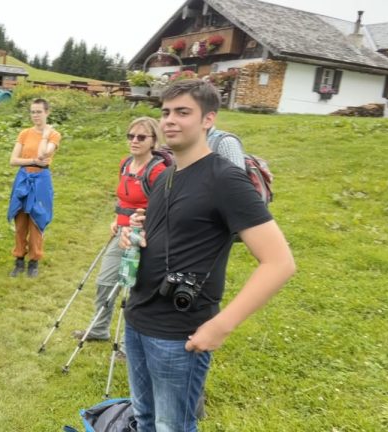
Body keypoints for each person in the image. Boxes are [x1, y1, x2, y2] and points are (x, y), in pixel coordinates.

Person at [119, 79, 295, 431]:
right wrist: (132, 236)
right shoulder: (166, 175)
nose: (170, 120)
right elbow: (165, 237)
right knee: (144, 419)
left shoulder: (225, 179)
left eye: (183, 112)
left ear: (208, 119)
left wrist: (221, 326)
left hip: (179, 334)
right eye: (166, 112)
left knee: (173, 426)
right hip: (137, 319)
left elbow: (280, 263)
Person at [71, 117, 167, 347]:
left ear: (153, 141)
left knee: (133, 288)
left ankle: (128, 342)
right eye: (131, 136)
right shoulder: (125, 164)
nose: (134, 140)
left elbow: (163, 209)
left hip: (142, 237)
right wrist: (117, 219)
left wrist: (140, 228)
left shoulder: (158, 171)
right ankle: (100, 328)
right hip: (120, 232)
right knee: (105, 280)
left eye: (141, 137)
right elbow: (123, 197)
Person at [7, 98, 61, 278]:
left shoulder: (54, 135)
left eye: (39, 112)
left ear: (47, 112)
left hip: (42, 180)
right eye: (33, 112)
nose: (35, 115)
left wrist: (45, 134)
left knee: (37, 219)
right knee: (20, 220)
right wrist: (31, 161)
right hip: (23, 178)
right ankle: (19, 259)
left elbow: (43, 154)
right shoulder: (24, 133)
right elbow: (13, 160)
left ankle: (34, 261)